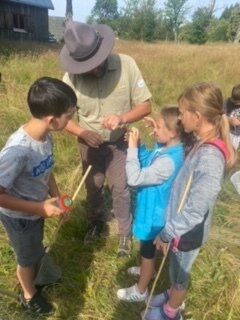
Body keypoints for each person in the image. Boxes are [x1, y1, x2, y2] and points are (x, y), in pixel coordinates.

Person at [142, 83, 236, 320]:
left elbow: (195, 210)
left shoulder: (210, 157)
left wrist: (167, 232)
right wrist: (158, 132)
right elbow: (176, 141)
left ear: (197, 116)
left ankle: (171, 311)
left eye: (183, 113)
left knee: (180, 275)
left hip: (187, 231)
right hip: (180, 227)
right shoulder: (199, 140)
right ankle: (171, 292)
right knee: (174, 270)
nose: (181, 118)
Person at [59, 22, 152, 256]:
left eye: (96, 62)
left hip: (120, 143)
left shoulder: (127, 65)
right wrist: (82, 133)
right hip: (88, 145)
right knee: (92, 187)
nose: (93, 69)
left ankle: (123, 233)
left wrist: (122, 118)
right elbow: (62, 118)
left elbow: (146, 105)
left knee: (120, 189)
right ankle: (95, 223)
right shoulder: (70, 77)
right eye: (86, 66)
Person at [0, 77, 77, 316]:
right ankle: (28, 294)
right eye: (69, 115)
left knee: (34, 249)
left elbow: (47, 169)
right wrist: (38, 209)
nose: (71, 119)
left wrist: (56, 197)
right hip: (19, 218)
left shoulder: (46, 136)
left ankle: (36, 270)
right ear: (52, 119)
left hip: (35, 211)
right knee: (26, 258)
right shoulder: (18, 151)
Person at [117, 106, 193, 302]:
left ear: (173, 132)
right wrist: (140, 147)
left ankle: (141, 289)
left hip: (154, 217)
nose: (154, 130)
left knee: (147, 252)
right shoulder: (166, 149)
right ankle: (145, 270)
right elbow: (148, 163)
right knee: (145, 248)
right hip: (150, 210)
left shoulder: (169, 161)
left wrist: (132, 149)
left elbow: (135, 178)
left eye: (158, 127)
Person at [224, 84, 240, 150]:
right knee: (226, 149)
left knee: (232, 150)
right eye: (233, 100)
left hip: (237, 135)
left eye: (237, 103)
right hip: (227, 131)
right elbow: (219, 115)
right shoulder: (227, 102)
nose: (234, 103)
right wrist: (229, 120)